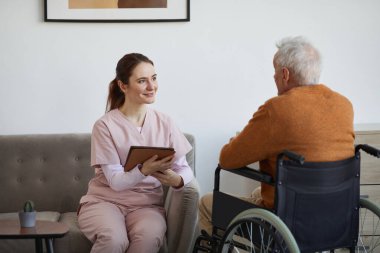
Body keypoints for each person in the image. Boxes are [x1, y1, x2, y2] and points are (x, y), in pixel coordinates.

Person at [198, 36, 355, 235]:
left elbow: (227, 159)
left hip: (287, 224)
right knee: (258, 192)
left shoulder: (276, 109)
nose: (273, 78)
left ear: (285, 74)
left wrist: (236, 141)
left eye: (274, 72)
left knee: (206, 203)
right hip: (334, 216)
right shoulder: (344, 105)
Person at [78, 53, 194, 253]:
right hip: (105, 202)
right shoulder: (105, 125)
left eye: (154, 78)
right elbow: (115, 181)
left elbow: (184, 168)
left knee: (147, 239)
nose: (151, 86)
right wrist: (144, 170)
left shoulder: (165, 122)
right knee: (114, 240)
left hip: (147, 206)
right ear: (123, 86)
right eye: (142, 81)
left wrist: (176, 180)